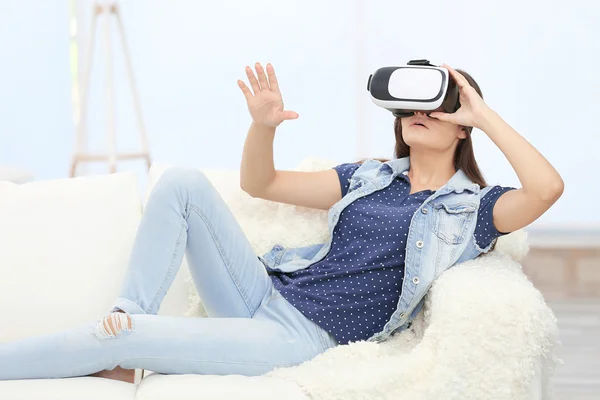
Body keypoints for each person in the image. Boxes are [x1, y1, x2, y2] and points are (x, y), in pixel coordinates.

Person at [0, 63, 563, 383]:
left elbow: (546, 189)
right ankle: (131, 313)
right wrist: (264, 127)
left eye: (438, 106)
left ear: (461, 126)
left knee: (108, 341)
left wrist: (483, 113)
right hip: (264, 295)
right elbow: (261, 183)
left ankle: (118, 345)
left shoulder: (474, 211)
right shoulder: (370, 176)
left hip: (297, 338)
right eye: (412, 106)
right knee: (183, 183)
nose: (421, 114)